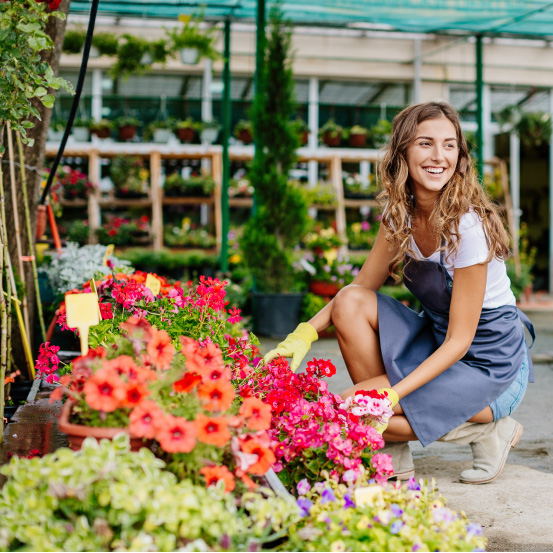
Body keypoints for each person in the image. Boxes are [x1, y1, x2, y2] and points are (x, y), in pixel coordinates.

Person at [264, 101, 534, 485]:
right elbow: (357, 290)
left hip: (491, 366)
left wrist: (392, 396)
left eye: (450, 145)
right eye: (425, 143)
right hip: (438, 342)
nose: (439, 156)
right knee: (351, 303)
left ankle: (491, 430)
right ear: (403, 150)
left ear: (460, 155)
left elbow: (461, 341)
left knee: (354, 408)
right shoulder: (401, 215)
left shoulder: (467, 227)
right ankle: (392, 447)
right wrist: (303, 334)